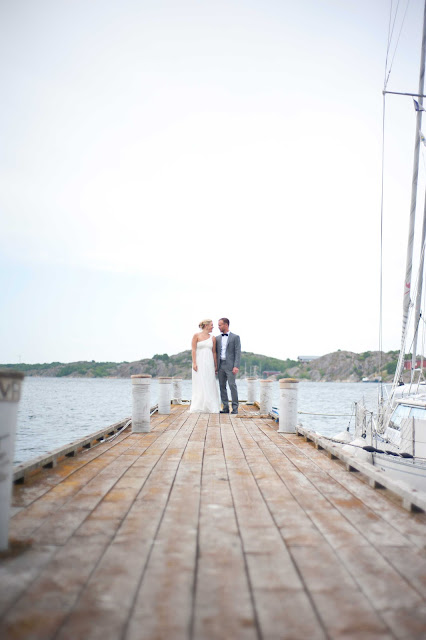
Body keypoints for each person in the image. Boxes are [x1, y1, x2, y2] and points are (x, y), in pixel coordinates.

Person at [189, 319, 220, 413]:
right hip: (199, 362)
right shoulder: (196, 336)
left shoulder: (213, 338)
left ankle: (210, 405)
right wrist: (194, 363)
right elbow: (193, 350)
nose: (213, 327)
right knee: (199, 383)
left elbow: (214, 352)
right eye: (211, 325)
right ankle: (199, 405)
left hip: (209, 363)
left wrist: (215, 365)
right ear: (206, 325)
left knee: (209, 382)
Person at [216, 318, 241, 414]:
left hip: (231, 366)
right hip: (220, 365)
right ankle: (225, 408)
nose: (218, 327)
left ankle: (235, 408)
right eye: (218, 325)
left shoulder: (235, 337)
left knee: (232, 385)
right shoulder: (217, 338)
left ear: (226, 325)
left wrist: (236, 366)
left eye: (220, 325)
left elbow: (237, 352)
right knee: (222, 386)